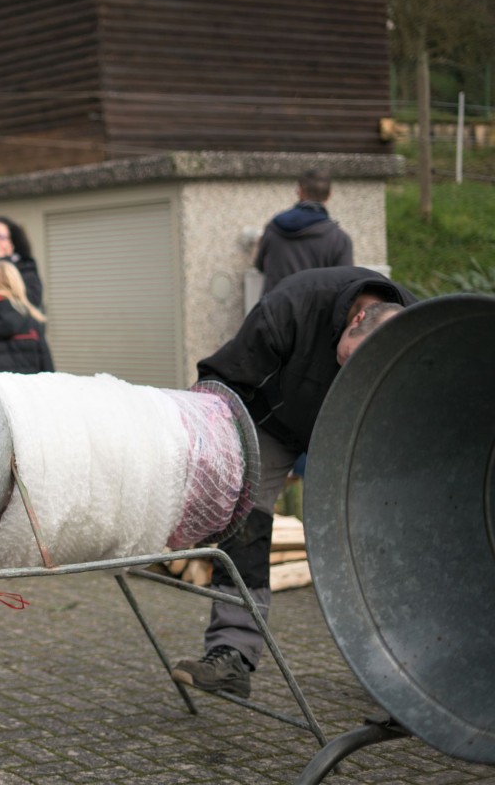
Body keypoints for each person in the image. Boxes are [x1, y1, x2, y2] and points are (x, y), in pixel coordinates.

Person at [170, 266, 414, 699]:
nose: (351, 373)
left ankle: (403, 671)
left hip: (359, 433)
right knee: (246, 523)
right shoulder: (294, 305)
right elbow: (223, 378)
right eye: (350, 360)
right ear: (357, 319)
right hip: (276, 424)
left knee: (384, 539)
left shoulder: (420, 329)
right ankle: (232, 655)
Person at [255, 168, 353, 294]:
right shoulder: (339, 239)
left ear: (300, 191)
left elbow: (260, 266)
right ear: (329, 195)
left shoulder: (273, 228)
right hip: (316, 312)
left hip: (273, 310)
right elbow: (345, 285)